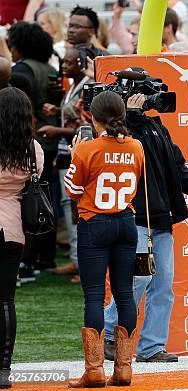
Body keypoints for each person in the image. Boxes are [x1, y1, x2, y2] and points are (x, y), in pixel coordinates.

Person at [104, 91, 188, 363]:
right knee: (139, 278)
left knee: (163, 285)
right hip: (135, 217)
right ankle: (107, 331)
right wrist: (129, 117)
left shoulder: (157, 127)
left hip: (162, 219)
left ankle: (152, 347)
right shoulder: (117, 130)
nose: (148, 102)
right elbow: (117, 152)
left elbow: (178, 166)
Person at [65, 91, 144, 388]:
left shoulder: (87, 148)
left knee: (95, 297)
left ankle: (95, 370)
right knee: (125, 294)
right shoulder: (136, 146)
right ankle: (123, 369)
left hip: (94, 222)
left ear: (92, 116)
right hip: (125, 221)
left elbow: (72, 189)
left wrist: (76, 154)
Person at [38, 46, 95, 281]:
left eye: (69, 63)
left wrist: (56, 130)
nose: (64, 67)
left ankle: (84, 264)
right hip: (67, 152)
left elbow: (88, 125)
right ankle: (76, 259)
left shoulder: (89, 86)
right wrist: (58, 109)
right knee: (69, 204)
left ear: (82, 63)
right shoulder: (74, 84)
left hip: (79, 153)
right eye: (63, 63)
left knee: (77, 208)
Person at [0, 87, 44, 390]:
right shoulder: (33, 150)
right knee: (5, 301)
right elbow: (35, 180)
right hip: (13, 228)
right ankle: (3, 367)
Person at [8, 21, 59, 280]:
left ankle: (26, 262)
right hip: (45, 142)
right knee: (41, 199)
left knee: (25, 201)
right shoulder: (50, 68)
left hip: (27, 140)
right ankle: (44, 257)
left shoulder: (22, 70)